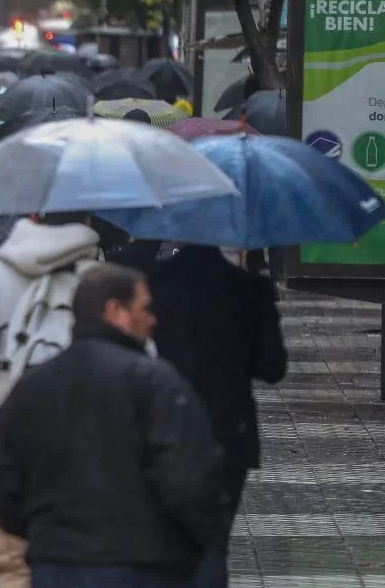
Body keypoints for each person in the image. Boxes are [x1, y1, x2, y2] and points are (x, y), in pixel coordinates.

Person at [0, 264, 223, 588]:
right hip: (143, 566)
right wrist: (191, 547)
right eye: (144, 308)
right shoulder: (157, 383)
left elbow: (4, 479)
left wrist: (42, 534)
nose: (153, 319)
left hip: (56, 564)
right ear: (116, 311)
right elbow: (189, 480)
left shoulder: (32, 386)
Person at [0, 213, 100, 585]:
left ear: (32, 215)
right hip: (88, 467)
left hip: (10, 462)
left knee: (16, 569)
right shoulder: (103, 284)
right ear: (89, 217)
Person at [145, 245, 287, 587]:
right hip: (228, 433)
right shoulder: (248, 288)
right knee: (212, 543)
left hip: (163, 430)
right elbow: (272, 368)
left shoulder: (151, 283)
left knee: (165, 538)